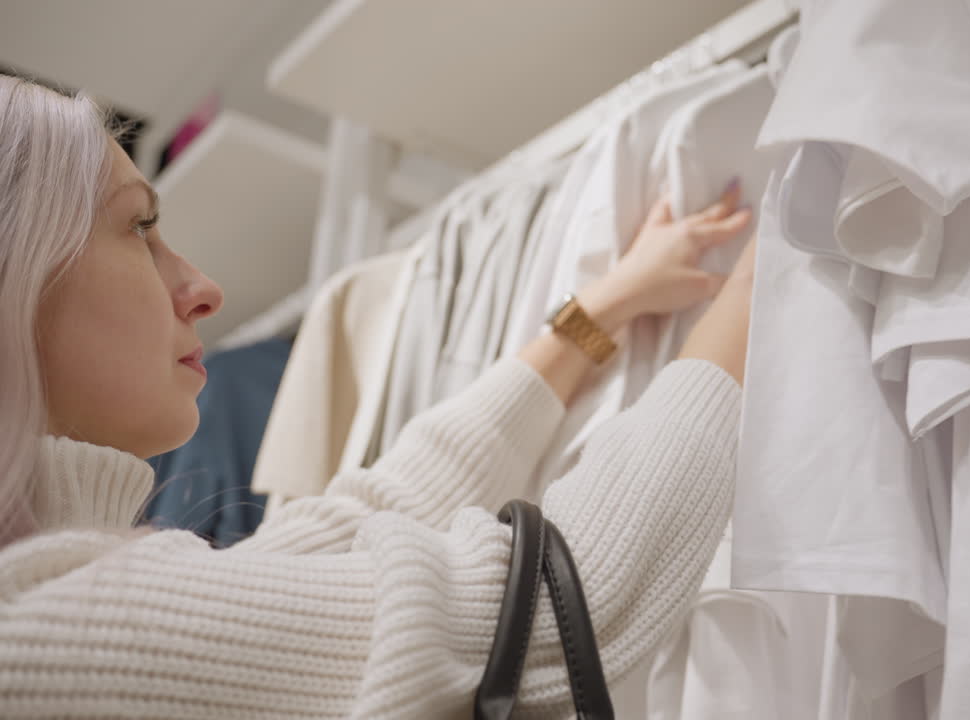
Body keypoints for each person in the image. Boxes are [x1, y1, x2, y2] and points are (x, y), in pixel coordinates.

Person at [0, 76, 756, 718]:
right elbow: (560, 607)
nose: (202, 288)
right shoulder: (39, 635)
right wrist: (759, 287)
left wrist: (594, 315)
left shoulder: (58, 600)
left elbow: (371, 510)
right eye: (139, 228)